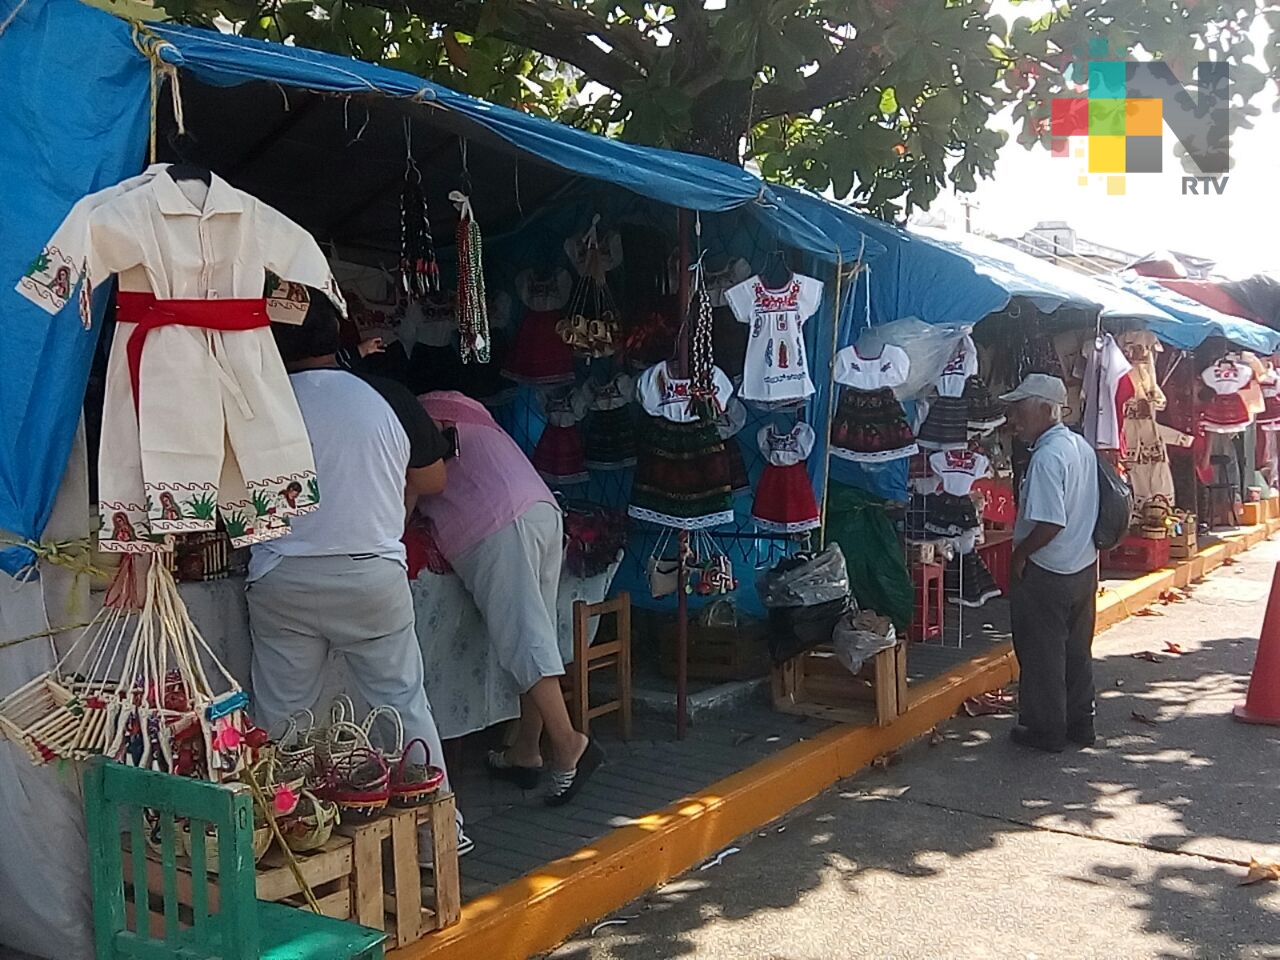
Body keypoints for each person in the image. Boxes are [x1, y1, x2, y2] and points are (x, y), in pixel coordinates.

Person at [246, 290, 470, 854]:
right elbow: (433, 479)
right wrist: (391, 506)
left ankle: (293, 838)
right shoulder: (385, 395)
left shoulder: (257, 403)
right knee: (400, 704)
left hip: (282, 578)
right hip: (369, 575)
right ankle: (436, 838)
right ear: (339, 336)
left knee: (285, 719)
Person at [415, 390, 605, 806]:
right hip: (539, 509)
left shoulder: (415, 419)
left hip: (493, 525)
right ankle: (526, 750)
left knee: (524, 636)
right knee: (535, 631)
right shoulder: (464, 407)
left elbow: (415, 486)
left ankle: (569, 742)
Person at [1001, 373, 1101, 753]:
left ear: (1046, 409)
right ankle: (1080, 723)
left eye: (1020, 408)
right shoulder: (1079, 446)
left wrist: (1020, 554)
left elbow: (1051, 521)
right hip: (1082, 564)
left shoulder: (1046, 456)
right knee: (1076, 650)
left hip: (1049, 570)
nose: (1014, 417)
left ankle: (1045, 730)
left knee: (1042, 653)